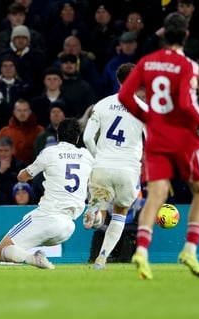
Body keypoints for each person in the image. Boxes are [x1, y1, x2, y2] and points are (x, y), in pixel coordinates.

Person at [118, 12, 199, 280]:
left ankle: (141, 250)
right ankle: (189, 249)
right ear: (186, 35)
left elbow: (124, 95)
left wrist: (146, 116)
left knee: (156, 195)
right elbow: (187, 105)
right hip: (184, 139)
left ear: (162, 34)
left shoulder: (146, 62)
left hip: (156, 137)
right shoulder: (188, 66)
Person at [0, 118, 93, 269]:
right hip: (68, 226)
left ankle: (32, 258)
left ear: (58, 136)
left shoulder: (50, 152)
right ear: (77, 138)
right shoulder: (87, 156)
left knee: (3, 249)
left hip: (47, 217)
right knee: (5, 249)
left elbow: (23, 177)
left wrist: (22, 174)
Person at [82, 62, 145, 270]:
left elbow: (88, 137)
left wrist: (98, 156)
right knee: (120, 214)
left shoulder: (101, 104)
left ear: (118, 81)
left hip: (102, 166)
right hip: (128, 169)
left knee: (101, 211)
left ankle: (95, 213)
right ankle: (102, 259)